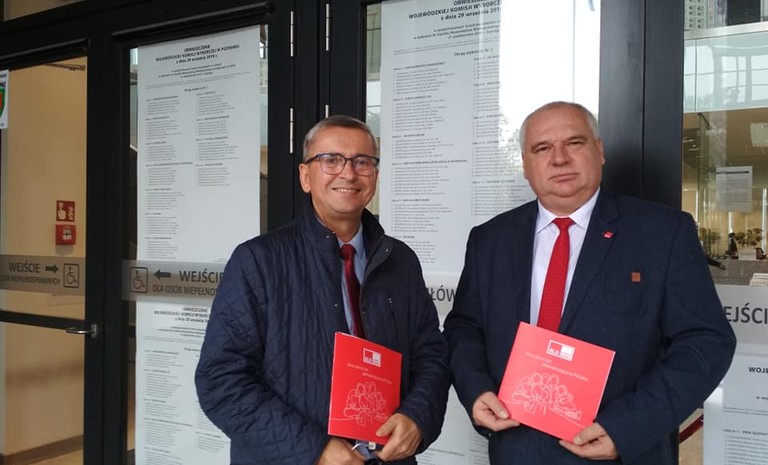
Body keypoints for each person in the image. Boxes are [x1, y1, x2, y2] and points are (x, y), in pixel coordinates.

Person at [443, 101, 736, 465]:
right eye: (542, 148)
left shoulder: (663, 233)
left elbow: (706, 341)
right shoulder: (490, 240)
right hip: (516, 449)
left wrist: (628, 427)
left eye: (574, 143)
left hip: (622, 453)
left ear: (599, 151)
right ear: (525, 165)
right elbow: (464, 327)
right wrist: (475, 389)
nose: (559, 158)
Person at [195, 115, 449, 465]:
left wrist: (418, 416)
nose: (348, 173)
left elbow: (431, 353)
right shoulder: (258, 261)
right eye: (331, 160)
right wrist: (314, 450)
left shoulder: (400, 260)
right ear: (305, 176)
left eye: (362, 162)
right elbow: (221, 381)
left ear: (374, 175)